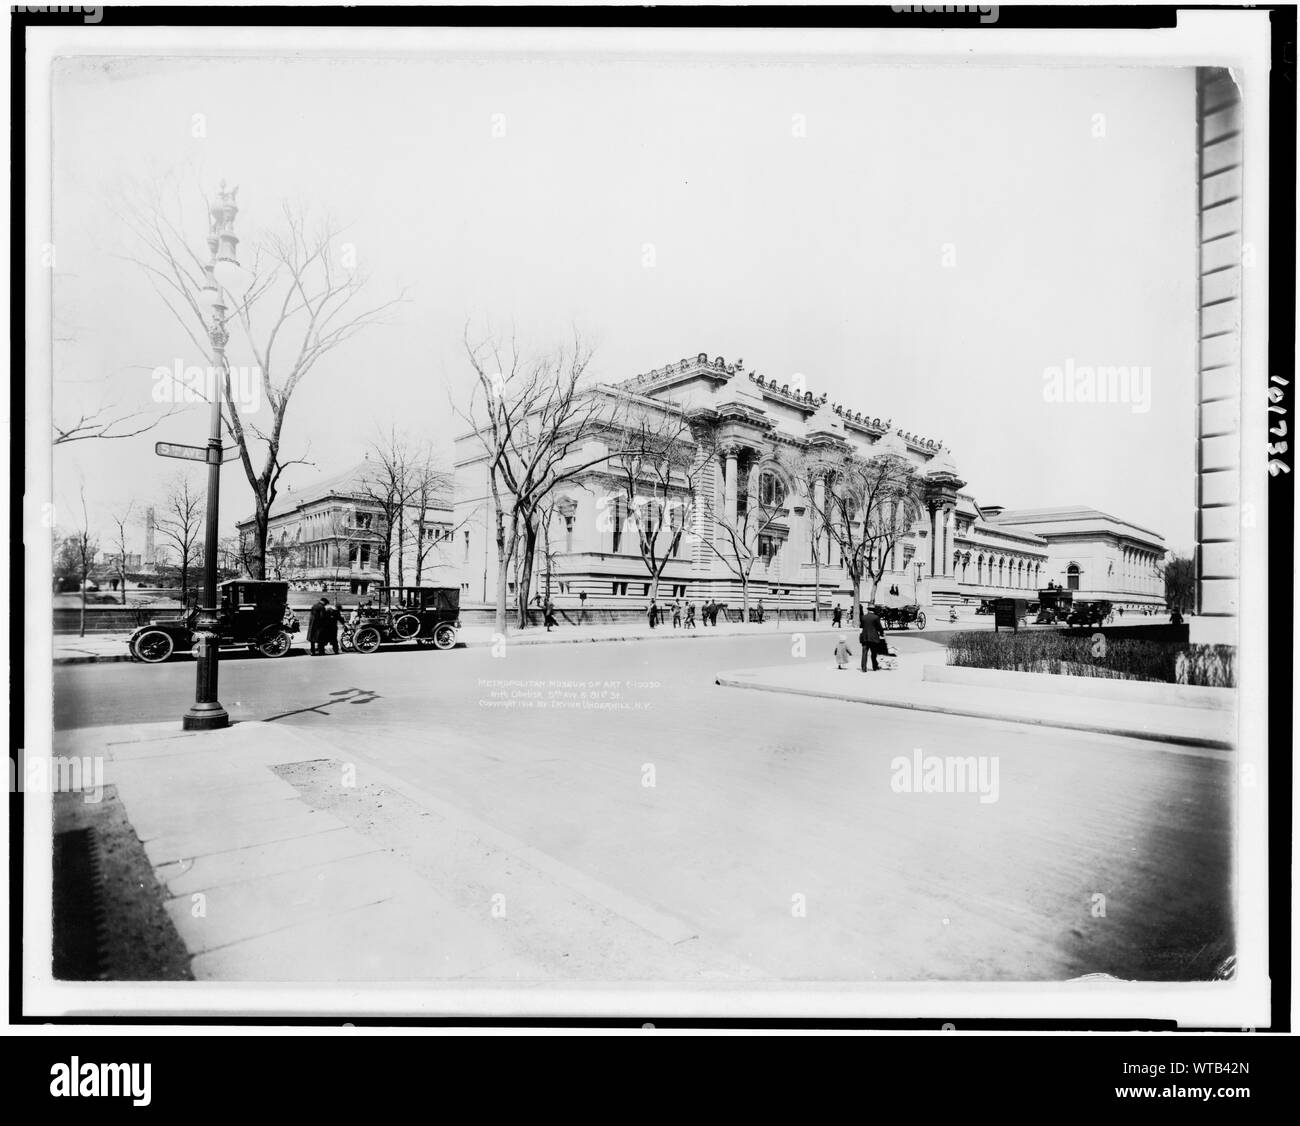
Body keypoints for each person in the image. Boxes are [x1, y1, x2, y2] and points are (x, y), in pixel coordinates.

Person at [859, 604, 884, 672]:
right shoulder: (876, 617)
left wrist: (861, 636)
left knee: (864, 653)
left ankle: (864, 668)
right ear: (874, 610)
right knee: (874, 653)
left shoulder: (863, 617)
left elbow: (861, 627)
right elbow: (879, 627)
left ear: (868, 609)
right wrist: (882, 634)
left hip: (865, 638)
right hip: (873, 638)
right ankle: (875, 667)